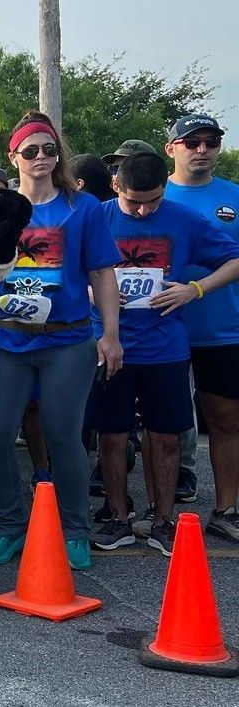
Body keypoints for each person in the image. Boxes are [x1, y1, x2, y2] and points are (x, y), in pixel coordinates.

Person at [0, 112, 122, 570]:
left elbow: (102, 273)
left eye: (49, 149)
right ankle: (8, 527)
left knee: (62, 434)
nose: (41, 157)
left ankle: (75, 529)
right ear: (14, 157)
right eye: (30, 150)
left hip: (67, 341)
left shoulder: (82, 208)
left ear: (58, 155)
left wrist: (110, 334)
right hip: (10, 341)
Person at [89, 153, 239, 555]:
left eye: (152, 201)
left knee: (165, 436)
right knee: (113, 435)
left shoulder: (184, 219)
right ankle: (118, 517)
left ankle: (164, 521)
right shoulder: (97, 217)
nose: (143, 210)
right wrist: (93, 292)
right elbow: (64, 270)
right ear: (116, 185)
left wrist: (195, 289)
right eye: (134, 201)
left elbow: (234, 259)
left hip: (165, 347)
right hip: (112, 344)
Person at [162, 114, 239, 541]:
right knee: (164, 425)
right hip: (158, 331)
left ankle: (226, 509)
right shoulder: (152, 193)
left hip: (221, 328)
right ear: (171, 148)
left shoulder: (233, 196)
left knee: (226, 420)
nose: (203, 149)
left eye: (211, 142)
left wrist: (196, 289)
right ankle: (162, 514)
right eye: (192, 142)